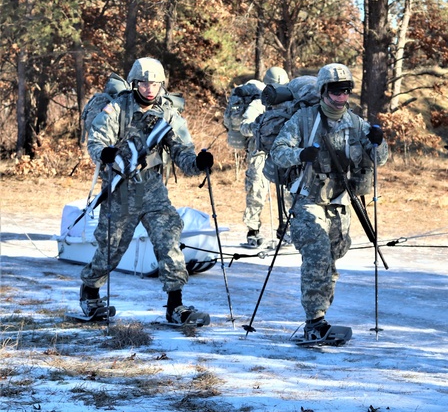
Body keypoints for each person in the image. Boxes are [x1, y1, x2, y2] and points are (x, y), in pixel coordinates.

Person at [79, 57, 214, 325]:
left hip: (153, 188)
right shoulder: (117, 108)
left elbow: (181, 152)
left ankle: (175, 306)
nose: (149, 88)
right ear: (134, 83)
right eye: (143, 83)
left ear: (162, 84)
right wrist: (105, 153)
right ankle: (91, 293)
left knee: (168, 242)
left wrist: (198, 163)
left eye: (154, 83)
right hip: (121, 189)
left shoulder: (167, 114)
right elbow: (96, 141)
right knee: (111, 248)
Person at [269, 63, 388, 342]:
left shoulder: (355, 123)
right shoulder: (303, 119)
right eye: (335, 91)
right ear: (323, 91)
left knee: (332, 260)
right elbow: (278, 152)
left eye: (346, 91)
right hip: (308, 199)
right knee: (317, 256)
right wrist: (301, 154)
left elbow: (378, 160)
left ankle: (320, 313)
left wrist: (378, 142)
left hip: (338, 200)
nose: (341, 96)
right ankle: (315, 321)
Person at [226, 66, 289, 248]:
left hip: (281, 150)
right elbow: (244, 126)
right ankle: (253, 231)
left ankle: (285, 229)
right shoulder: (258, 104)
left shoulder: (289, 103)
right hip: (259, 150)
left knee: (286, 190)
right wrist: (260, 128)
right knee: (257, 189)